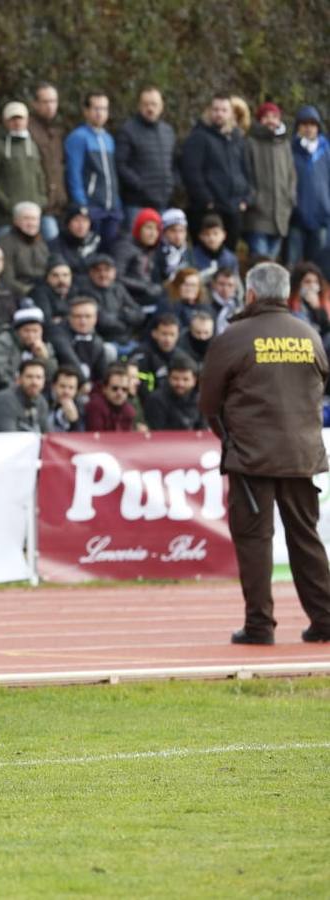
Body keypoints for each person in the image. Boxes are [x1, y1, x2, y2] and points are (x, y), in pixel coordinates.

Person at [199, 262, 330, 644]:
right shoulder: (308, 334)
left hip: (252, 456)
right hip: (301, 454)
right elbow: (320, 383)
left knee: (255, 539)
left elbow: (208, 403)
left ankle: (259, 625)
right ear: (286, 294)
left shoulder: (235, 336)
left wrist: (229, 439)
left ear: (251, 294)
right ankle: (325, 619)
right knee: (305, 537)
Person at [181, 94, 251, 251]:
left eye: (224, 110)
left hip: (234, 208)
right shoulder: (199, 136)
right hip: (209, 210)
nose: (219, 113)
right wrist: (208, 201)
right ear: (209, 111)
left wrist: (245, 198)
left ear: (231, 113)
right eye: (215, 109)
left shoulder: (237, 138)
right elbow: (191, 172)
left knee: (229, 256)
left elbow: (246, 170)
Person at [0, 101, 48, 237]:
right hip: (5, 217)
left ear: (27, 120)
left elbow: (40, 174)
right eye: (12, 119)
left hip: (33, 216)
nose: (17, 123)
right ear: (5, 121)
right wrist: (5, 202)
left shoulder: (33, 146)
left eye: (20, 119)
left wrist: (42, 199)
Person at [64, 90, 123, 244]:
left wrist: (116, 202)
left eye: (104, 109)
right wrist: (82, 204)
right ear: (86, 111)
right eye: (96, 108)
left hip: (111, 207)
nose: (100, 113)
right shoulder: (78, 137)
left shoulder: (108, 138)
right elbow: (74, 173)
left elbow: (112, 173)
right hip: (92, 206)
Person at [115, 87, 176, 225]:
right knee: (134, 244)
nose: (150, 108)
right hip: (137, 204)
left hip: (162, 202)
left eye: (154, 104)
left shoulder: (168, 131)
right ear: (139, 106)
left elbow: (174, 162)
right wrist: (140, 185)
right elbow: (120, 164)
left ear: (161, 107)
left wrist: (172, 183)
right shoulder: (128, 130)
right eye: (146, 104)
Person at [244, 102, 297, 260]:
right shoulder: (251, 142)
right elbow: (246, 173)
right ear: (259, 120)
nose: (270, 120)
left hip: (281, 215)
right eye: (266, 117)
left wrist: (291, 198)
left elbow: (291, 174)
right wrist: (253, 198)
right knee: (260, 265)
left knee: (273, 267)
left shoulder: (284, 144)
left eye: (274, 116)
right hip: (258, 214)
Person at [0, 306, 57, 409]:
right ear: (17, 331)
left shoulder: (44, 347)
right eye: (26, 331)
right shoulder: (3, 342)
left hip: (35, 397)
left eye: (35, 331)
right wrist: (19, 394)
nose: (31, 336)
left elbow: (53, 377)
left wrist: (44, 358)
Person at [290, 106, 330, 266]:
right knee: (293, 265)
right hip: (295, 216)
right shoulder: (290, 149)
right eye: (304, 124)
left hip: (321, 216)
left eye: (312, 124)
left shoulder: (326, 151)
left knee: (318, 266)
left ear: (318, 127)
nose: (308, 128)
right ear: (298, 127)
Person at [27, 82, 66, 240]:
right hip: (39, 205)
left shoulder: (57, 131)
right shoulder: (28, 129)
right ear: (35, 104)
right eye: (45, 102)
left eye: (53, 101)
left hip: (58, 204)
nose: (50, 106)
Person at [80, 253, 145, 345]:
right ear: (91, 273)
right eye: (98, 270)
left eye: (107, 270)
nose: (102, 274)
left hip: (127, 340)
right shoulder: (85, 292)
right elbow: (103, 322)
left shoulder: (118, 288)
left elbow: (139, 313)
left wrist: (123, 315)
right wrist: (125, 318)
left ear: (114, 272)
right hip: (103, 342)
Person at [0, 202, 49, 296]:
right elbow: (6, 279)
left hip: (45, 290)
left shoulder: (42, 243)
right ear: (15, 221)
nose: (31, 223)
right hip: (20, 293)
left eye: (34, 219)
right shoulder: (5, 244)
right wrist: (29, 291)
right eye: (26, 218)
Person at [0, 358, 50, 432]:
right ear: (19, 379)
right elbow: (9, 439)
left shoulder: (42, 402)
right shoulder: (4, 401)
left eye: (39, 377)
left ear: (44, 381)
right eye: (29, 377)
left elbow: (48, 435)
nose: (34, 382)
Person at [59, 296, 114, 386]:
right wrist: (84, 382)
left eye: (88, 316)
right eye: (78, 316)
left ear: (95, 318)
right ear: (69, 317)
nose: (83, 321)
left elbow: (101, 374)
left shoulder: (98, 341)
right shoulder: (59, 334)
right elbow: (67, 356)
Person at [143, 353, 202, 431]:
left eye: (185, 379)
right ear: (168, 378)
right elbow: (156, 432)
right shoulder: (156, 400)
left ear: (194, 380)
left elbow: (204, 431)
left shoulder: (201, 400)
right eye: (175, 378)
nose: (180, 384)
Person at [85, 363, 139, 431]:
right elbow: (97, 438)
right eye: (115, 388)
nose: (120, 393)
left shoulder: (129, 411)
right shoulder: (95, 406)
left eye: (124, 389)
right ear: (104, 388)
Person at [47, 367, 85, 432]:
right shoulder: (45, 402)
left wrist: (74, 421)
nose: (66, 391)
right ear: (53, 386)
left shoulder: (81, 407)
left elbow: (81, 437)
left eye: (71, 388)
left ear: (76, 390)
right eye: (62, 386)